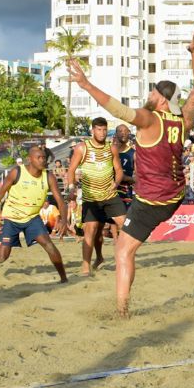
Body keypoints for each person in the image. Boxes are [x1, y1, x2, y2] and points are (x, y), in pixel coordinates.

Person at [68, 26, 194, 316]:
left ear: (162, 99)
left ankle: (121, 310)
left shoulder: (149, 119)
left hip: (152, 200)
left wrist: (86, 85)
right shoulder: (183, 121)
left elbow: (118, 110)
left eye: (153, 91)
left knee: (123, 251)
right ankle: (121, 304)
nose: (149, 93)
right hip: (175, 196)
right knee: (124, 245)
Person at [0, 144, 69, 283]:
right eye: (38, 158)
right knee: (2, 256)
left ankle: (64, 278)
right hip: (11, 218)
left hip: (32, 218)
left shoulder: (48, 177)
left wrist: (64, 221)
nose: (42, 160)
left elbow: (60, 201)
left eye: (44, 157)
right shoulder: (17, 172)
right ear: (29, 159)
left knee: (49, 245)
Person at [67, 116, 126, 276]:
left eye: (104, 129)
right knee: (92, 230)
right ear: (92, 130)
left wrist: (116, 183)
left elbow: (119, 170)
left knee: (126, 225)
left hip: (110, 195)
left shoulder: (111, 148)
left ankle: (125, 259)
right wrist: (72, 188)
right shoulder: (81, 148)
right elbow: (71, 170)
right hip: (91, 198)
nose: (102, 132)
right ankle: (87, 265)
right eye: (99, 129)